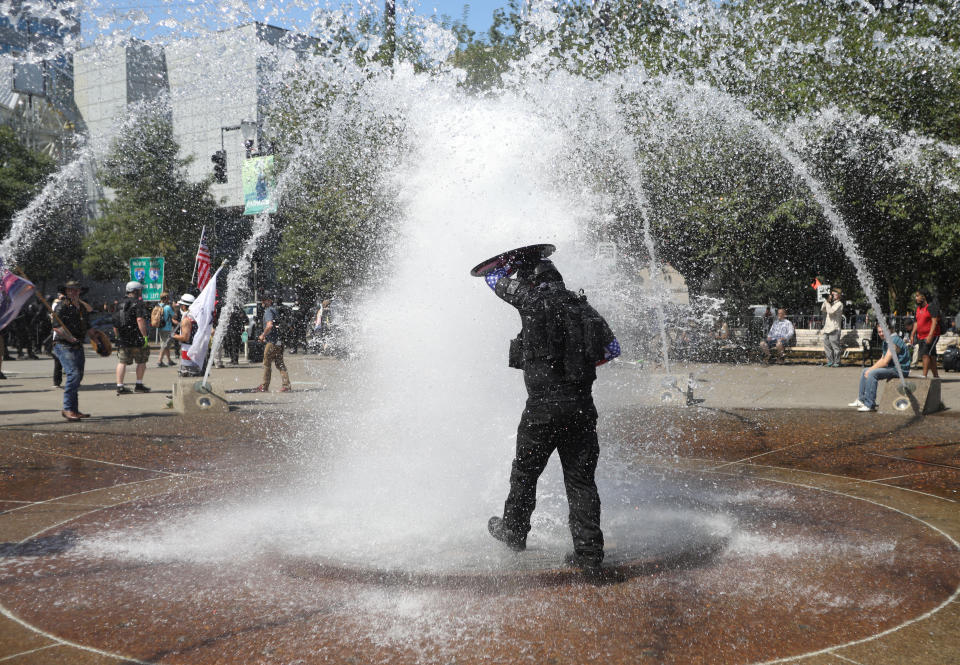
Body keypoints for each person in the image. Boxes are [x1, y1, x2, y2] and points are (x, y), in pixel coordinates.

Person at [480, 249, 619, 576]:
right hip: (582, 409)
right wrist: (578, 361)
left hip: (542, 410)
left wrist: (510, 263)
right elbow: (612, 350)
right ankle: (588, 555)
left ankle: (514, 532)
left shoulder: (531, 301)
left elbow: (491, 279)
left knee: (525, 472)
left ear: (532, 280)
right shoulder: (584, 307)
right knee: (581, 481)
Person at [50, 280, 91, 421]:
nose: (73, 292)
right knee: (73, 374)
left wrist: (97, 338)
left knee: (78, 376)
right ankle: (67, 409)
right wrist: (69, 338)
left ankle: (74, 409)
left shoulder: (82, 308)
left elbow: (88, 326)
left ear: (79, 291)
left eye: (76, 289)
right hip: (63, 344)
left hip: (78, 344)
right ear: (66, 292)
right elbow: (56, 326)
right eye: (70, 290)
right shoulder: (62, 306)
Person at [849, 323, 911, 412]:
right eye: (879, 332)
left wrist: (871, 370)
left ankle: (869, 404)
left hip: (900, 370)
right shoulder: (887, 340)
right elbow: (882, 358)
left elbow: (885, 362)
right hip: (892, 368)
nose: (881, 333)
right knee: (865, 371)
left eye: (883, 331)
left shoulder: (894, 341)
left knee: (872, 373)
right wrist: (870, 368)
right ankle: (861, 400)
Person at [113, 281, 152, 395]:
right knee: (141, 360)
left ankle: (120, 386)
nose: (141, 293)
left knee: (122, 362)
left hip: (123, 338)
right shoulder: (138, 303)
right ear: (136, 291)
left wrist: (117, 335)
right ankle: (139, 385)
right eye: (140, 290)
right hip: (136, 337)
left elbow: (115, 323)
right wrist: (144, 337)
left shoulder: (118, 303)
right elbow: (140, 320)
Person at [255, 294, 291, 392]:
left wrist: (262, 335)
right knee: (280, 364)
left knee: (266, 363)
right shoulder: (275, 310)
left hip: (272, 342)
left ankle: (264, 386)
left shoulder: (268, 311)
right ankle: (286, 385)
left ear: (269, 301)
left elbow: (269, 325)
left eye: (263, 300)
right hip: (279, 341)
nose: (262, 302)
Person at [911, 289, 941, 379]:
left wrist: (930, 335)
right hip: (921, 336)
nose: (916, 298)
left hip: (932, 335)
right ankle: (936, 376)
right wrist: (912, 334)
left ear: (923, 297)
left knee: (925, 354)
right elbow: (916, 323)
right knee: (931, 356)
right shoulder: (918, 309)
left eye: (917, 296)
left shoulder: (931, 307)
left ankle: (924, 375)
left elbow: (934, 321)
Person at [172, 294, 202, 376]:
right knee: (196, 374)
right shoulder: (197, 317)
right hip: (196, 349)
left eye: (181, 306)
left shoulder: (186, 320)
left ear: (184, 307)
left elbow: (185, 338)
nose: (180, 307)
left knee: (188, 374)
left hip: (187, 350)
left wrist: (173, 335)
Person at [820, 288, 844, 367]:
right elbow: (823, 309)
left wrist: (827, 302)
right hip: (827, 329)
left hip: (834, 329)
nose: (832, 295)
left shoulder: (839, 304)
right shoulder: (830, 303)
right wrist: (826, 300)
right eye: (832, 294)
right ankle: (830, 361)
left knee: (835, 347)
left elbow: (830, 312)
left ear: (839, 295)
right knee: (827, 347)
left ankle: (837, 362)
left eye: (834, 294)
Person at [156, 292, 178, 367]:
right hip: (167, 328)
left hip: (160, 327)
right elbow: (174, 316)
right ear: (166, 298)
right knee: (165, 345)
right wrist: (174, 308)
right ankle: (159, 361)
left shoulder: (158, 306)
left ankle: (169, 360)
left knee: (164, 344)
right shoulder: (167, 307)